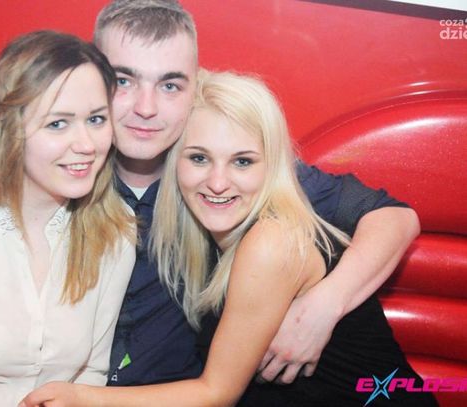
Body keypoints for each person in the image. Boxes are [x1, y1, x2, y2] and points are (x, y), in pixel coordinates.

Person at [20, 70, 437, 406]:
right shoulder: (200, 235)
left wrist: (81, 398)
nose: (218, 182)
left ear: (273, 167)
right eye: (199, 158)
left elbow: (217, 393)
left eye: (242, 162)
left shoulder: (271, 242)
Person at [93, 0, 420, 387]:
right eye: (123, 81)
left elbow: (395, 218)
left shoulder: (226, 163)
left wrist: (323, 306)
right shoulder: (67, 172)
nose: (146, 108)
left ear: (192, 87)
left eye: (169, 86)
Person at [0, 30, 135, 406]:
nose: (86, 144)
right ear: (8, 128)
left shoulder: (115, 227)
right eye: (58, 124)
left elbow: (91, 375)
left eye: (96, 119)